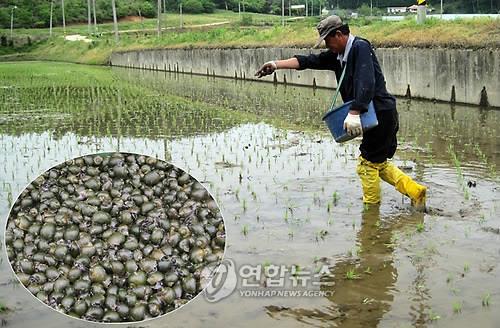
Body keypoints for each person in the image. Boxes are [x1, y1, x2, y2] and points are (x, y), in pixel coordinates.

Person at [255, 15, 427, 208]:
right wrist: (275, 65)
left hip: (380, 114)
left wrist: (354, 111)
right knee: (377, 162)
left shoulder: (360, 47)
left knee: (366, 165)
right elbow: (308, 61)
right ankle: (416, 191)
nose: (327, 46)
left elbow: (367, 82)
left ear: (339, 34)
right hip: (373, 115)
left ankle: (371, 213)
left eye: (328, 41)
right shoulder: (338, 56)